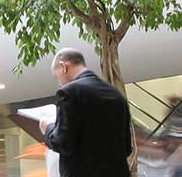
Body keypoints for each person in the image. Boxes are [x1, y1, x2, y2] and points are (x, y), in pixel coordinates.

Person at [41, 48, 131, 177]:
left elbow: (64, 143)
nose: (59, 84)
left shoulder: (69, 92)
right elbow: (126, 148)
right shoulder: (116, 95)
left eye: (57, 77)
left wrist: (48, 127)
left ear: (63, 66)